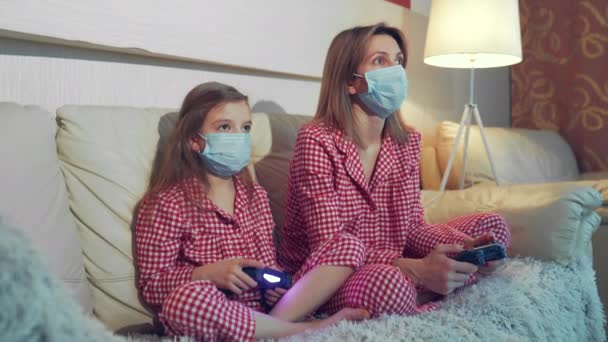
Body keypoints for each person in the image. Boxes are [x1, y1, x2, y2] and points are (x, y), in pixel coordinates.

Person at [270, 23, 511, 321]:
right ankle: (429, 287)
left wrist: (462, 247)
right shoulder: (317, 140)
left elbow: (412, 229)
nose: (395, 70)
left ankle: (438, 281)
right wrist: (417, 270)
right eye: (380, 60)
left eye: (398, 61)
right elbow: (331, 245)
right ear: (349, 80)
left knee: (494, 229)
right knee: (391, 285)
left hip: (391, 260)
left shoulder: (408, 142)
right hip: (331, 274)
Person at [134, 82, 368, 341]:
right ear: (194, 140)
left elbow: (269, 265)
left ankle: (273, 329)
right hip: (215, 311)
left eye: (245, 128)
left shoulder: (256, 195)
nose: (239, 137)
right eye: (225, 127)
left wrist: (276, 286)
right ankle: (303, 331)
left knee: (348, 244)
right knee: (185, 300)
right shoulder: (163, 204)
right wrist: (205, 274)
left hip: (268, 312)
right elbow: (152, 286)